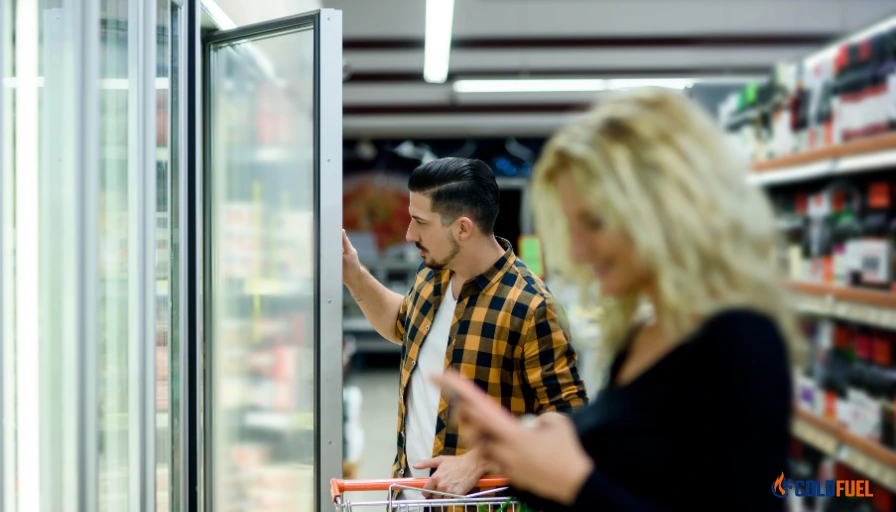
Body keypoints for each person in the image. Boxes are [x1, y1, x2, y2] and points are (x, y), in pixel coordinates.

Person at [431, 88, 799, 511]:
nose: (577, 252)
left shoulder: (741, 342)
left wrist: (573, 481)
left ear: (664, 208)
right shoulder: (642, 332)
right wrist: (514, 455)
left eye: (594, 223)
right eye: (573, 227)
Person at [342, 157, 588, 500]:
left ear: (462, 228)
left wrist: (481, 459)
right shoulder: (432, 274)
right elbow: (403, 325)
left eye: (419, 222)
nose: (409, 234)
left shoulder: (532, 307)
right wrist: (353, 273)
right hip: (410, 496)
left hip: (476, 503)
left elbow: (569, 421)